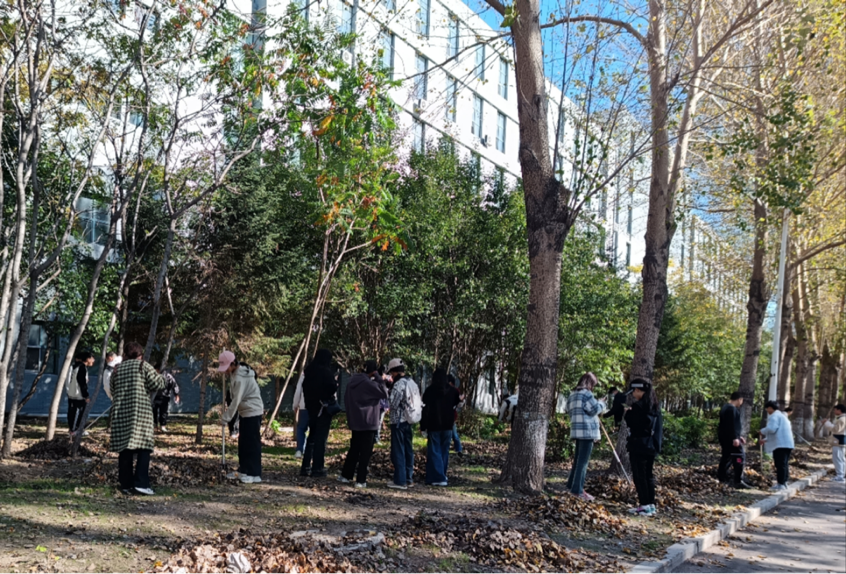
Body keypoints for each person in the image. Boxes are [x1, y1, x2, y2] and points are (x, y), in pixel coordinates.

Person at [110, 342, 165, 495]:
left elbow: (112, 389)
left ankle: (125, 484)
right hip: (141, 413)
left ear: (125, 354)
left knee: (125, 449)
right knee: (144, 448)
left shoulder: (117, 369)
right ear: (140, 355)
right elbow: (158, 383)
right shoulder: (143, 366)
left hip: (121, 413)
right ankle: (141, 483)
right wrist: (162, 376)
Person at [339, 360, 388, 488]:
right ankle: (361, 480)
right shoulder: (369, 384)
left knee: (354, 448)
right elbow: (384, 392)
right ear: (373, 371)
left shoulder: (351, 382)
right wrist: (378, 377)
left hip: (355, 420)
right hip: (369, 421)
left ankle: (346, 475)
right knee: (365, 452)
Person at [219, 350, 265, 484]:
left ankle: (254, 473)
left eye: (226, 367)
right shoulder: (235, 374)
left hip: (253, 411)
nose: (225, 371)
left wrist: (226, 418)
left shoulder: (241, 377)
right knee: (243, 443)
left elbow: (236, 400)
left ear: (233, 364)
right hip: (245, 412)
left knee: (252, 443)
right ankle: (244, 469)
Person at [625, 379, 664, 517]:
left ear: (638, 390)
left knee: (639, 475)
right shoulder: (655, 406)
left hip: (639, 446)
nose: (633, 394)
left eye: (634, 392)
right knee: (648, 475)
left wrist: (628, 413)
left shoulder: (638, 407)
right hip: (651, 445)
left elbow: (634, 424)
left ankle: (644, 505)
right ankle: (651, 504)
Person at [565, 372, 606, 500]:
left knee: (578, 460)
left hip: (576, 431)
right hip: (587, 432)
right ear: (590, 383)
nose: (593, 387)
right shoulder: (587, 394)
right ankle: (578, 491)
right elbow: (594, 410)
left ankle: (571, 485)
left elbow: (567, 410)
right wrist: (602, 403)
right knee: (583, 462)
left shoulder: (572, 394)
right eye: (593, 384)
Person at [300, 348, 339, 478]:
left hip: (311, 407)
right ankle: (317, 467)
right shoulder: (326, 372)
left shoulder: (309, 371)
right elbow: (331, 387)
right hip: (323, 408)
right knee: (320, 439)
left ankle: (305, 466)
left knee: (311, 437)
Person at [421, 369, 461, 486]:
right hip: (448, 425)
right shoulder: (452, 391)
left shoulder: (429, 391)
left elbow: (425, 409)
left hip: (433, 424)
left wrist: (423, 426)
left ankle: (437, 477)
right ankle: (442, 474)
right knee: (444, 451)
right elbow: (457, 404)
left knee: (434, 451)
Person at [387, 357, 422, 490]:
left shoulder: (399, 384)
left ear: (395, 372)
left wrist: (388, 393)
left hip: (398, 421)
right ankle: (408, 478)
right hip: (409, 420)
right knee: (408, 450)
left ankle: (400, 481)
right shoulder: (412, 382)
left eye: (392, 373)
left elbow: (393, 403)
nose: (391, 375)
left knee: (398, 450)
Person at [759, 400, 795, 491]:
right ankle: (784, 482)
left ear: (770, 408)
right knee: (784, 464)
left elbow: (772, 429)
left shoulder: (774, 416)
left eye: (767, 408)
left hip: (780, 445)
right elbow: (778, 432)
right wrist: (765, 440)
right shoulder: (782, 416)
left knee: (780, 464)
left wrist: (762, 431)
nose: (767, 411)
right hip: (787, 443)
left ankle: (781, 484)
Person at [717, 391, 750, 489]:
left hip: (726, 437)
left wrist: (738, 436)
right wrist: (735, 438)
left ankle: (722, 477)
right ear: (739, 399)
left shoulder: (725, 407)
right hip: (730, 439)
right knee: (739, 456)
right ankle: (738, 480)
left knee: (727, 456)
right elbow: (731, 425)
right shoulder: (731, 409)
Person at [66, 351, 95, 437]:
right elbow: (82, 383)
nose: (93, 360)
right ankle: (75, 430)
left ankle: (73, 429)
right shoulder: (82, 368)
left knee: (72, 412)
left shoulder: (76, 367)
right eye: (92, 358)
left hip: (72, 394)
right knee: (78, 412)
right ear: (87, 359)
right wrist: (86, 395)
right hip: (78, 395)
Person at [152, 363, 181, 433]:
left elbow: (174, 385)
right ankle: (154, 425)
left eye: (156, 370)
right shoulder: (152, 376)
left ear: (159, 369)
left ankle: (163, 426)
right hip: (154, 397)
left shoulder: (168, 376)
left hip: (164, 396)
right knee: (153, 411)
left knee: (163, 412)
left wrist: (176, 394)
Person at [822, 404, 846, 482]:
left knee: (837, 459)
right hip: (840, 441)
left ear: (839, 410)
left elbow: (836, 429)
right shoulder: (842, 418)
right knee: (841, 458)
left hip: (838, 441)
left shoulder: (842, 419)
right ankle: (842, 475)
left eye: (835, 410)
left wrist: (826, 423)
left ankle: (840, 476)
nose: (834, 411)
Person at [291, 373, 308, 458]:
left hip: (304, 406)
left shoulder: (304, 376)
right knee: (316, 431)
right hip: (318, 408)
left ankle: (299, 450)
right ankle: (313, 451)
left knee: (301, 428)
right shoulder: (323, 373)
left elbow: (298, 391)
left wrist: (295, 405)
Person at [447, 374, 464, 457]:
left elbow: (459, 404)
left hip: (451, 416)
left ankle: (458, 449)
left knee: (453, 434)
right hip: (451, 415)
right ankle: (458, 449)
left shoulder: (453, 390)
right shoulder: (455, 390)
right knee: (453, 434)